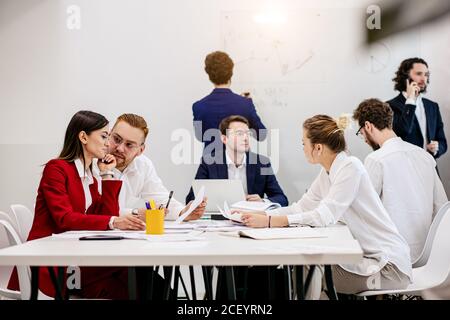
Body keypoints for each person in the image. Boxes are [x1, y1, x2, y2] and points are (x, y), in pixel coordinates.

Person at [234, 115, 412, 295]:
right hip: (369, 258)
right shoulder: (327, 172)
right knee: (307, 267)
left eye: (304, 143)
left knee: (312, 268)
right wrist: (262, 215)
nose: (302, 148)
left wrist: (272, 221)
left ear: (318, 148)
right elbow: (300, 207)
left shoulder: (351, 167)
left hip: (388, 266)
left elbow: (323, 215)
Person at [8, 110, 145, 299]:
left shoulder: (91, 176)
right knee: (133, 276)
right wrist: (114, 221)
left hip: (72, 259)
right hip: (51, 265)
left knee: (139, 277)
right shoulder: (56, 169)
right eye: (104, 136)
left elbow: (104, 215)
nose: (108, 144)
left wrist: (106, 174)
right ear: (83, 137)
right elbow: (64, 219)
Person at [353, 98, 448, 263]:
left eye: (361, 133)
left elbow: (364, 211)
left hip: (392, 259)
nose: (365, 139)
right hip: (426, 258)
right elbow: (442, 209)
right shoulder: (425, 157)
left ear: (368, 126)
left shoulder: (376, 159)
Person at [96, 113, 206, 221]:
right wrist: (135, 213)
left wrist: (184, 212)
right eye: (117, 139)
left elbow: (160, 198)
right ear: (108, 135)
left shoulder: (143, 165)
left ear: (140, 150)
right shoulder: (91, 160)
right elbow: (93, 210)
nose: (120, 148)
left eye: (129, 145)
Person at [186, 115, 288, 206]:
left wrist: (262, 202)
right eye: (239, 133)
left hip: (251, 220)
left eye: (248, 133)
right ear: (224, 139)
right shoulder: (209, 162)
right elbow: (191, 199)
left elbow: (282, 199)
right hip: (219, 220)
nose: (246, 138)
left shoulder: (262, 163)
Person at [193, 51, 266, 150]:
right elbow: (261, 135)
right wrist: (246, 104)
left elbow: (200, 137)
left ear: (209, 77)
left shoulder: (199, 107)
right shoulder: (245, 104)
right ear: (231, 73)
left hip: (212, 164)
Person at [387, 57, 447, 158]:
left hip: (430, 167)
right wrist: (410, 100)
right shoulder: (389, 106)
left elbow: (443, 142)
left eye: (426, 75)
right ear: (405, 77)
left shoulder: (432, 106)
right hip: (405, 168)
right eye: (419, 74)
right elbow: (402, 131)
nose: (424, 79)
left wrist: (437, 148)